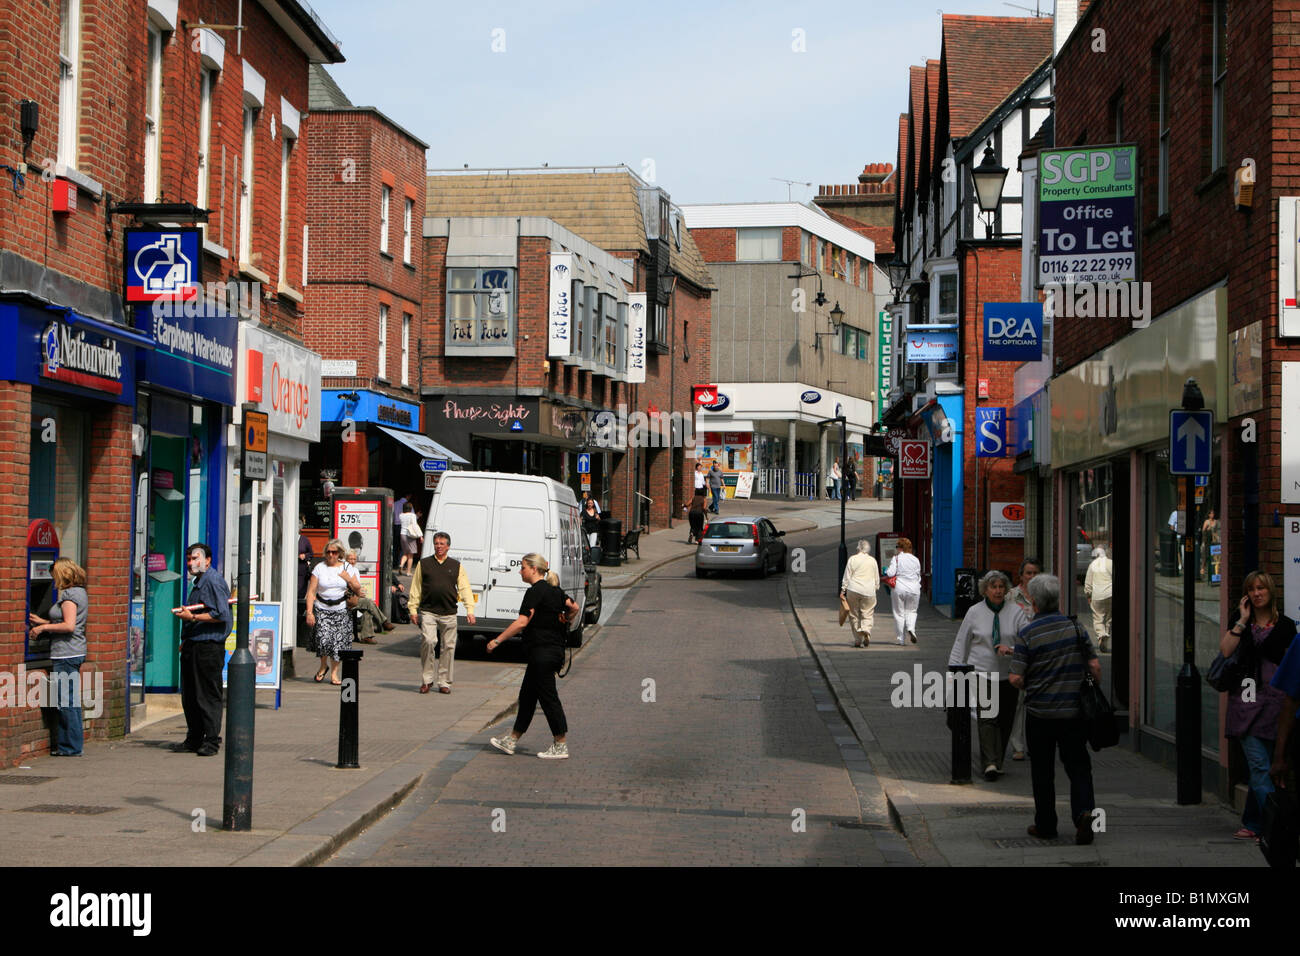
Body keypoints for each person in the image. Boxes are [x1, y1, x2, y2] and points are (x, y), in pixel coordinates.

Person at [1009, 574, 1101, 845]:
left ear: (1034, 603)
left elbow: (1015, 677)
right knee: (1079, 767)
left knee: (1042, 771)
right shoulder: (1076, 628)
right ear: (1057, 599)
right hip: (1074, 713)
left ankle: (1046, 825)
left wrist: (1029, 682)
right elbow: (1095, 666)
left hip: (1040, 715)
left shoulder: (1027, 633)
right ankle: (1085, 814)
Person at [1219, 572, 1294, 842]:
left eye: (1261, 588)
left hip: (1274, 706)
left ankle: (1253, 822)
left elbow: (1289, 664)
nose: (1257, 593)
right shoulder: (1241, 622)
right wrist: (1241, 619)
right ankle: (1283, 829)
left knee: (1263, 768)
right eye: (1251, 589)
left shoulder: (1285, 626)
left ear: (1270, 591)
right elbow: (1226, 651)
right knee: (1260, 767)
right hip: (1246, 704)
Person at [487, 553, 581, 759]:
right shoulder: (555, 591)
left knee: (549, 698)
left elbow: (522, 622)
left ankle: (560, 744)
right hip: (552, 652)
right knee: (527, 697)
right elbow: (574, 607)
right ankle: (511, 739)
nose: (520, 571)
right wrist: (566, 620)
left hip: (542, 653)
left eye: (522, 567)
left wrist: (497, 640)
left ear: (534, 569)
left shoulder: (535, 592)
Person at [949, 570, 1027, 780]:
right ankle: (990, 763)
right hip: (981, 673)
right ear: (985, 590)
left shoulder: (1016, 612)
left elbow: (1027, 641)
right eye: (994, 587)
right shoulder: (974, 612)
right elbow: (961, 642)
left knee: (1006, 720)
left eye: (1001, 587)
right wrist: (954, 670)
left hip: (1009, 675)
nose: (998, 591)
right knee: (987, 718)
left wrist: (1011, 650)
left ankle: (996, 759)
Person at [171, 544, 232, 755]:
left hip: (208, 647)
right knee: (190, 695)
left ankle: (211, 741)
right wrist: (186, 639)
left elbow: (221, 615)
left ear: (207, 561)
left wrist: (193, 617)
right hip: (194, 644)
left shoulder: (212, 581)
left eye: (195, 558)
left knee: (206, 695)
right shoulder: (199, 582)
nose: (191, 563)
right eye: (188, 559)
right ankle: (194, 739)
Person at [28, 557, 88, 756]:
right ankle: (71, 745)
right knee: (70, 700)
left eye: (54, 575)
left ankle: (70, 747)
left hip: (67, 654)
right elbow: (68, 621)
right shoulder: (80, 592)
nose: (53, 579)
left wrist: (44, 627)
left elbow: (69, 625)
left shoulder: (70, 595)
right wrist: (43, 620)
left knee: (66, 701)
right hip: (73, 652)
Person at [408, 531, 476, 694]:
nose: (439, 547)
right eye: (436, 543)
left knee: (449, 647)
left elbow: (465, 588)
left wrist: (470, 609)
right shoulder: (424, 564)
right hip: (428, 610)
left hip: (449, 611)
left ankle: (444, 681)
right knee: (429, 642)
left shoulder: (456, 565)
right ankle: (427, 679)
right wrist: (412, 608)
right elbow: (416, 587)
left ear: (448, 547)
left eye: (442, 544)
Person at [305, 539, 361, 685]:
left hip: (341, 609)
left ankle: (335, 674)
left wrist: (348, 578)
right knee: (323, 640)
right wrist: (309, 612)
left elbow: (358, 589)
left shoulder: (347, 567)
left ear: (339, 554)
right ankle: (323, 666)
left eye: (334, 552)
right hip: (322, 608)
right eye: (328, 552)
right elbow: (311, 592)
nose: (331, 555)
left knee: (338, 644)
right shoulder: (319, 568)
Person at [1005, 557, 1041, 761]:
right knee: (1018, 703)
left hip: (1039, 656)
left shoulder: (1044, 597)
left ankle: (1036, 743)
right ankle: (1018, 745)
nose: (1032, 577)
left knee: (1036, 702)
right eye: (1029, 573)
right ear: (1021, 576)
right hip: (1017, 654)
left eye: (1036, 573)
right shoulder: (1011, 596)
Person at [344, 549, 396, 644]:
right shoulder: (344, 569)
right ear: (345, 559)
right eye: (350, 559)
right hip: (346, 598)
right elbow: (350, 585)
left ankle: (366, 636)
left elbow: (357, 585)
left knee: (367, 608)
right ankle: (383, 622)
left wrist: (360, 591)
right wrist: (358, 592)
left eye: (354, 559)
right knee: (368, 603)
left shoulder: (355, 570)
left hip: (355, 596)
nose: (352, 561)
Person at [840, 539, 880, 648]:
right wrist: (876, 587)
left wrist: (843, 590)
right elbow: (876, 577)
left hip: (854, 589)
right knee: (867, 612)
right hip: (869, 590)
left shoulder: (852, 559)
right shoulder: (873, 561)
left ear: (858, 548)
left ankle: (858, 640)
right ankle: (866, 630)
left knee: (854, 614)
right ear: (868, 549)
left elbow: (847, 576)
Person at [884, 537, 922, 645]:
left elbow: (890, 573)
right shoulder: (916, 560)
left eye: (897, 547)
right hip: (914, 588)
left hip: (900, 587)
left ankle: (901, 639)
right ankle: (911, 629)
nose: (896, 549)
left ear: (900, 548)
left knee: (899, 613)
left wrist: (886, 570)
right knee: (912, 611)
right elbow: (918, 576)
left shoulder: (896, 558)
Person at [1084, 547, 1113, 653]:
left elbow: (1088, 583)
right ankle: (1106, 637)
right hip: (1110, 593)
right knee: (1109, 618)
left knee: (1098, 618)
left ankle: (1101, 635)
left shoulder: (1092, 565)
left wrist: (1088, 595)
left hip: (1097, 596)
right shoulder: (1111, 563)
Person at [399, 502, 422, 574]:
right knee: (411, 554)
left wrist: (416, 516)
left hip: (402, 534)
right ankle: (408, 571)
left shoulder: (401, 515)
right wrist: (420, 535)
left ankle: (401, 564)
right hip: (410, 535)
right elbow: (414, 525)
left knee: (405, 552)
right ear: (411, 508)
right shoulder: (412, 515)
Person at [1201, 509, 1220, 581]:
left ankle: (1214, 573)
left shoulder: (1215, 521)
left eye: (1213, 513)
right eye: (1211, 514)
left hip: (1214, 540)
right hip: (1207, 541)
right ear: (1209, 515)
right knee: (1205, 556)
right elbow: (1203, 531)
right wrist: (1207, 530)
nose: (1212, 515)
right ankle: (1202, 571)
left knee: (1214, 557)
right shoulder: (1207, 521)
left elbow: (1217, 530)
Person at [392, 492, 408, 558]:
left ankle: (394, 562)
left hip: (395, 526)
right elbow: (411, 516)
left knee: (395, 545)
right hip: (403, 526)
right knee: (403, 546)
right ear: (408, 496)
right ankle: (400, 563)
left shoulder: (394, 503)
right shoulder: (407, 504)